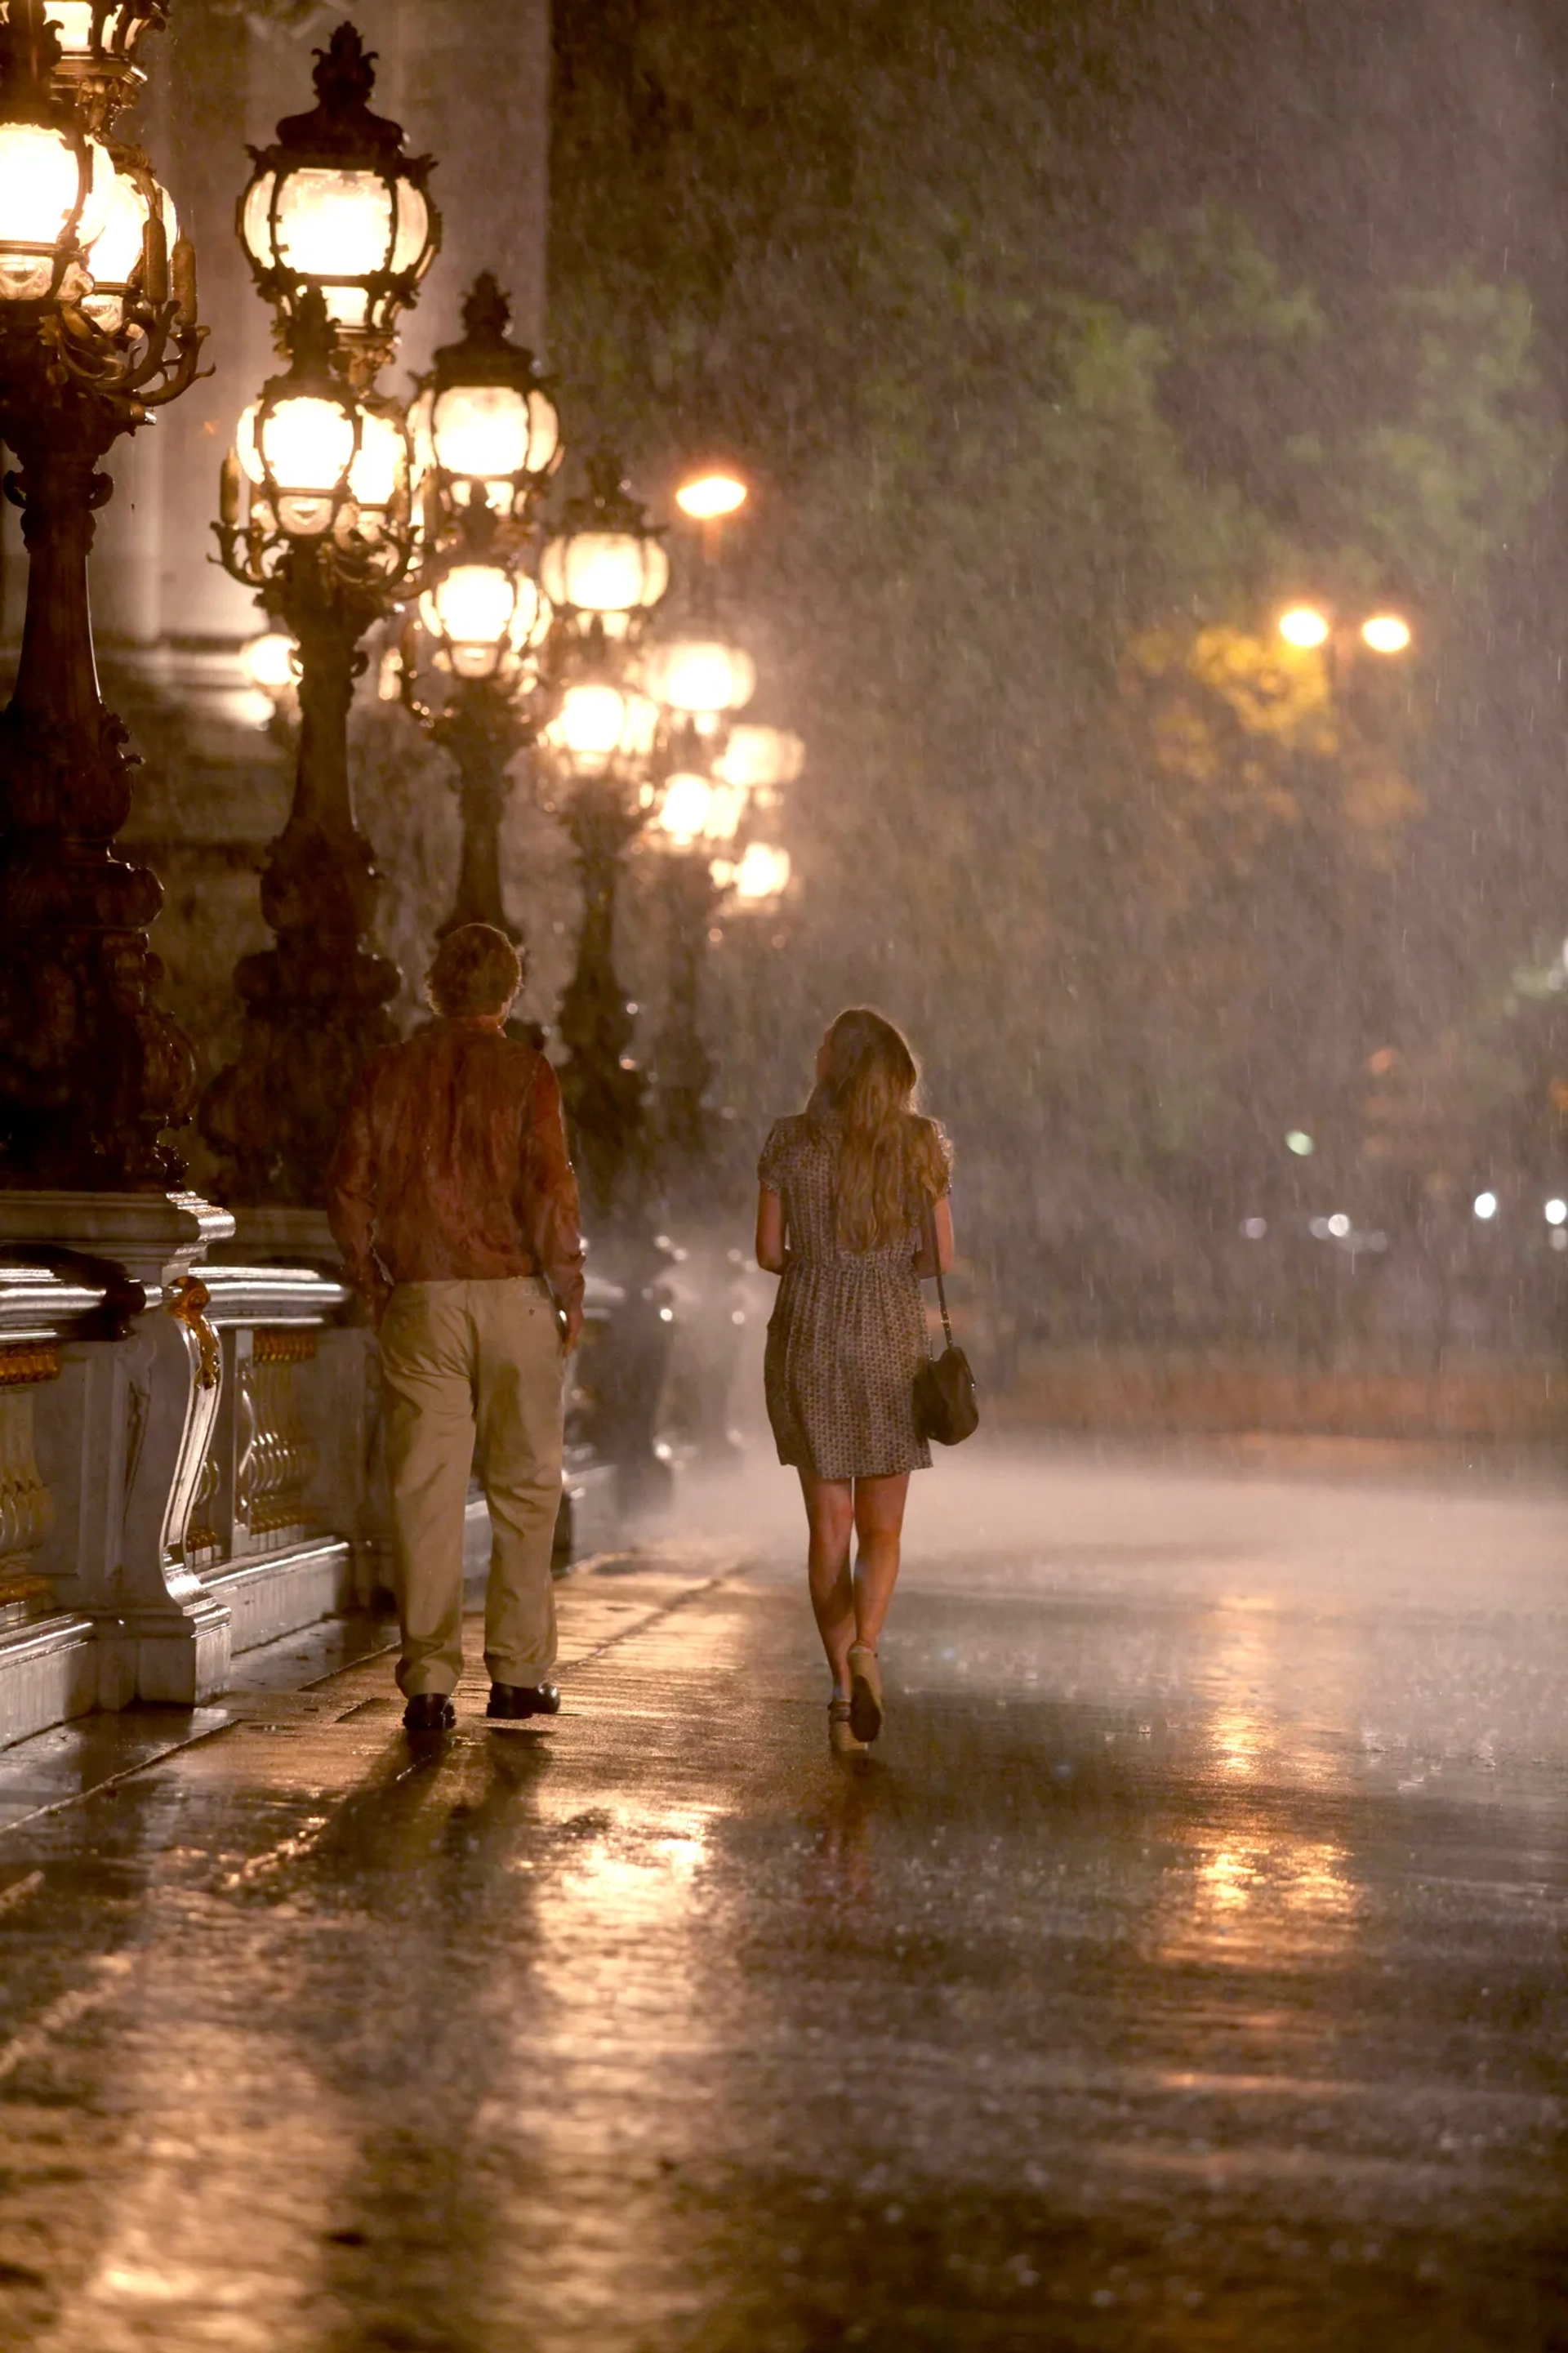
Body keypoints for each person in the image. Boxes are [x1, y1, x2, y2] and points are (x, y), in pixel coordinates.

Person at [327, 922, 586, 1735]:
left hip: (424, 1299)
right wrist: (569, 1287)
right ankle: (516, 1674)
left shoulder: (390, 1074)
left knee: (426, 1495)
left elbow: (347, 1190)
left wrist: (372, 1281)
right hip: (512, 1295)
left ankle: (430, 1683)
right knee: (523, 1490)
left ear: (433, 986)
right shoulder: (525, 1075)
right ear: (508, 994)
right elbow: (550, 1188)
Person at [755, 1008, 954, 1755]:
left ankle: (842, 1690)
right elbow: (940, 1254)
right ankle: (869, 1644)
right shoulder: (920, 1144)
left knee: (828, 1528)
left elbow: (768, 1251)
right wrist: (882, 1265)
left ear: (835, 1065)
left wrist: (820, 1258)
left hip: (809, 1333)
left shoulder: (789, 1141)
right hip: (890, 1339)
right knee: (883, 1529)